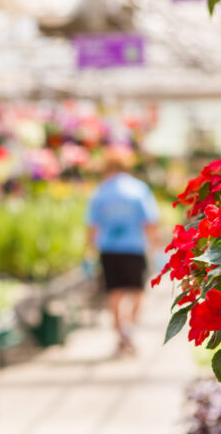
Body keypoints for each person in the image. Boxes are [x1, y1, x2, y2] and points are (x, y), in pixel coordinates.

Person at [86, 147, 160, 355]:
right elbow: (150, 221)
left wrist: (89, 251)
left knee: (115, 292)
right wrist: (155, 247)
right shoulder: (139, 189)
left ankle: (120, 334)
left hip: (109, 249)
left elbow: (92, 226)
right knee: (138, 291)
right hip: (134, 248)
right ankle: (129, 329)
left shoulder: (100, 192)